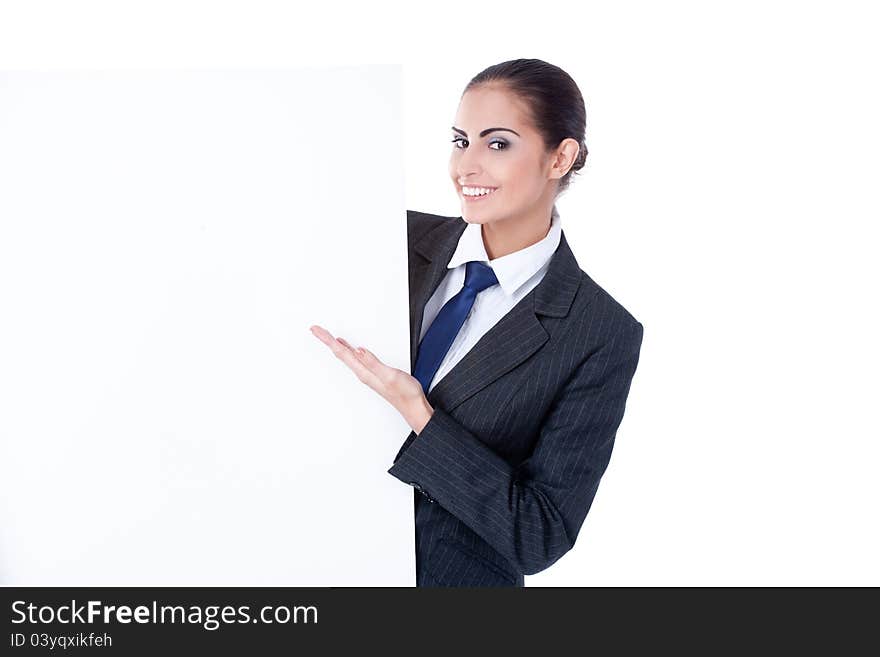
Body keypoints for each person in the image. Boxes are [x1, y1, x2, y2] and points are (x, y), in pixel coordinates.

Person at [310, 58, 643, 587]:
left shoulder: (598, 331)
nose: (466, 166)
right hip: (306, 563)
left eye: (498, 144)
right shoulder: (385, 239)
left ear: (562, 156)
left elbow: (539, 534)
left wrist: (422, 417)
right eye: (460, 140)